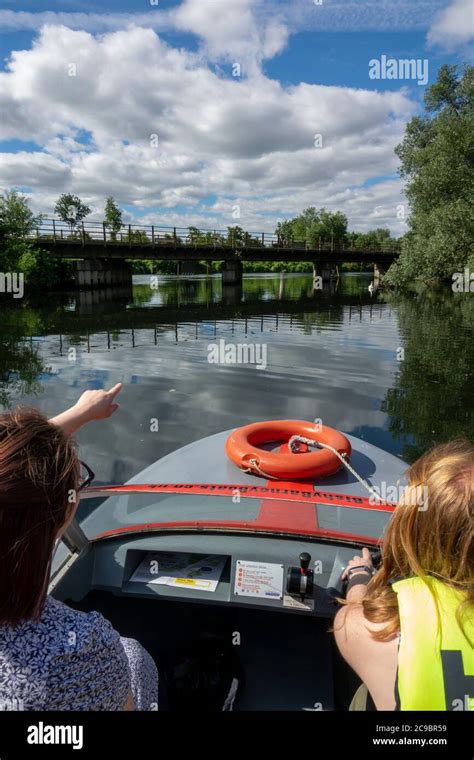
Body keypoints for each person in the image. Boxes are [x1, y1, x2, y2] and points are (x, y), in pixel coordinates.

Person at [0, 384, 158, 711]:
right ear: (63, 512)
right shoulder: (82, 645)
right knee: (136, 656)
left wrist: (80, 414)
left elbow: (12, 482)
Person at [334, 439, 473, 711]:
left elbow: (351, 616)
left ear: (413, 529)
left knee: (362, 697)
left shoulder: (374, 629)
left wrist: (361, 577)